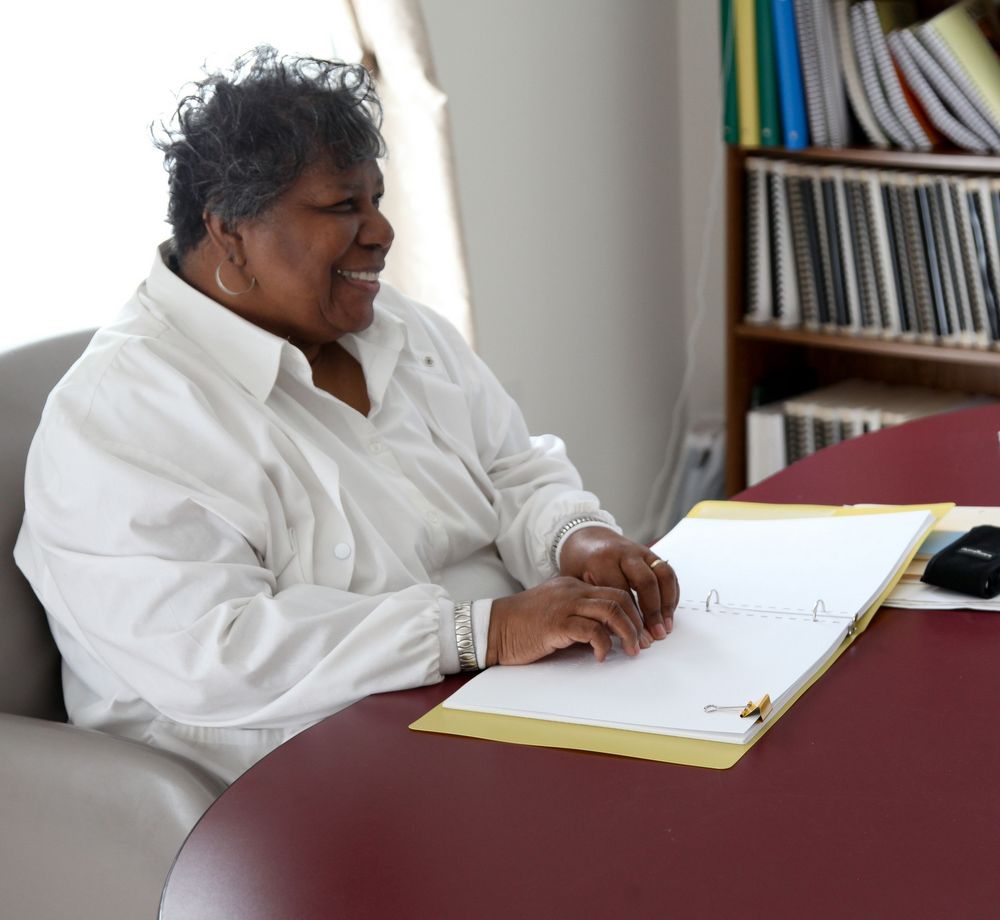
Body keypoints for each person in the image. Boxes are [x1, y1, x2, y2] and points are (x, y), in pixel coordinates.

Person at [15, 47, 678, 783]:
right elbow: (218, 655)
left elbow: (510, 467)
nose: (382, 232)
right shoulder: (118, 416)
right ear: (230, 231)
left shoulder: (396, 326)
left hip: (493, 698)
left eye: (377, 200)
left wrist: (571, 539)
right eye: (342, 206)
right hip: (289, 781)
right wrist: (477, 631)